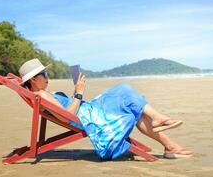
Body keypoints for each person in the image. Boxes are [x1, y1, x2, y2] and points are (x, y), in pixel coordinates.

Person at [19, 59, 193, 160]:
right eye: (44, 75)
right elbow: (66, 117)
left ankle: (168, 143)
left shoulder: (42, 94)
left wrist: (76, 93)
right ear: (34, 80)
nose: (47, 78)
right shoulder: (41, 94)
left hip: (87, 109)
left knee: (130, 101)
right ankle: (163, 131)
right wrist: (79, 94)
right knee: (124, 91)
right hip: (90, 116)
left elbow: (65, 110)